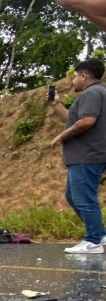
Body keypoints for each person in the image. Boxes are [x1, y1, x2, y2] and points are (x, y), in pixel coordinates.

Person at [49, 57, 106, 255]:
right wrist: (56, 105)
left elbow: (87, 121)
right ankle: (99, 235)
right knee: (73, 196)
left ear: (84, 76)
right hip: (85, 155)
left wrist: (61, 135)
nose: (73, 81)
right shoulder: (95, 93)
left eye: (74, 77)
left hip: (87, 155)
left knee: (84, 198)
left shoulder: (92, 93)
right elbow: (73, 119)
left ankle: (93, 240)